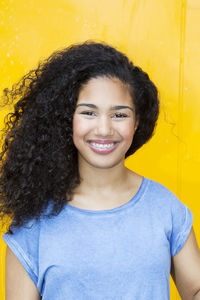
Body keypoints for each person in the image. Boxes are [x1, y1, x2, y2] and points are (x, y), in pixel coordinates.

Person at [0, 40, 200, 300]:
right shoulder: (32, 224)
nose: (104, 129)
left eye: (119, 115)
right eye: (88, 113)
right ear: (65, 119)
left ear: (137, 122)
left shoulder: (165, 208)